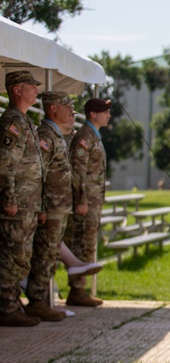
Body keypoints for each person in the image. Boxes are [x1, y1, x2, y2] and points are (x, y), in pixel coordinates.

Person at [24, 90, 77, 322]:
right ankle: (37, 302)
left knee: (51, 254)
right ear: (53, 108)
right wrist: (43, 207)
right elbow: (38, 174)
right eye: (66, 106)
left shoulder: (55, 134)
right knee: (44, 255)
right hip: (50, 208)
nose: (71, 111)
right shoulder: (45, 135)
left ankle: (42, 302)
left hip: (59, 207)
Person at [0, 71, 43, 327]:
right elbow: (4, 165)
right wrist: (9, 198)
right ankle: (6, 308)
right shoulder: (12, 122)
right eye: (31, 86)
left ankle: (13, 304)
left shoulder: (23, 120)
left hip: (27, 204)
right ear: (17, 90)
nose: (36, 90)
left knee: (21, 256)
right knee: (11, 256)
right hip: (15, 204)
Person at [65, 97, 111, 307]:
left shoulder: (93, 136)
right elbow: (78, 169)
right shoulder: (84, 137)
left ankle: (80, 289)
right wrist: (81, 200)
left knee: (88, 242)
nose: (108, 115)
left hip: (94, 200)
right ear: (93, 113)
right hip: (86, 201)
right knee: (82, 243)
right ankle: (77, 289)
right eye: (105, 111)